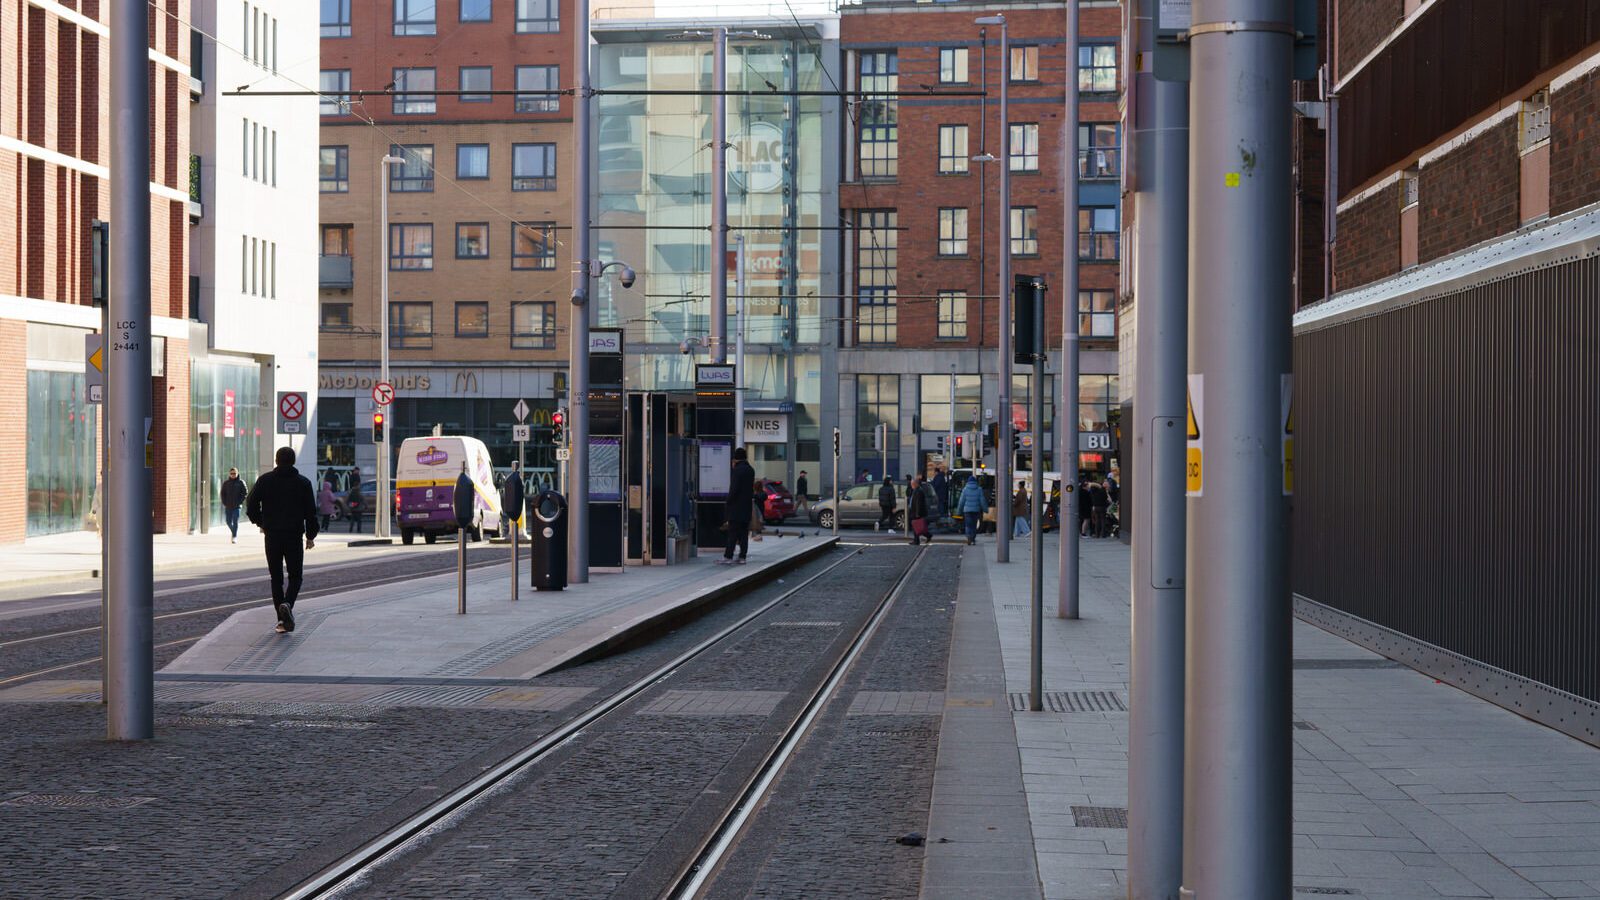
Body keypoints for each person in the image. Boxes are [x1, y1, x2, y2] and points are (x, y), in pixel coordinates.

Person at [245, 447, 318, 634]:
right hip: (293, 535)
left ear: (276, 460)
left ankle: (281, 620)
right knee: (295, 576)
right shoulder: (303, 483)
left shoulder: (265, 481)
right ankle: (288, 604)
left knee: (276, 578)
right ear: (293, 461)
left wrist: (261, 522)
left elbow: (251, 504)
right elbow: (311, 513)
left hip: (272, 535)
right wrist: (310, 536)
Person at [722, 447, 756, 565]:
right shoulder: (750, 470)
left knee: (732, 532)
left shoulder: (737, 470)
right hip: (746, 506)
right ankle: (742, 557)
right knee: (743, 533)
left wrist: (728, 501)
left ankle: (728, 556)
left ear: (736, 458)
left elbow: (734, 489)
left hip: (736, 507)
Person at [220, 467, 247, 543]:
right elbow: (223, 494)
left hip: (237, 506)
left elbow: (245, 493)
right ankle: (233, 532)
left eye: (234, 473)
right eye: (231, 473)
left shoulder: (241, 483)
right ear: (229, 474)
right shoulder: (226, 483)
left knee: (235, 521)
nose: (233, 475)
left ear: (237, 473)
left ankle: (234, 536)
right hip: (228, 506)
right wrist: (225, 502)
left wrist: (240, 501)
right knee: (228, 521)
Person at [957, 476, 985, 545]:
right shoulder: (979, 489)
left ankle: (969, 537)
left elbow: (961, 501)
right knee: (974, 525)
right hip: (976, 510)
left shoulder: (965, 489)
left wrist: (959, 511)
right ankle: (973, 538)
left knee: (968, 525)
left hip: (967, 511)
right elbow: (982, 500)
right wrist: (985, 509)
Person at [907, 475, 930, 546]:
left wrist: (917, 513)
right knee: (917, 527)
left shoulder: (919, 491)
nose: (911, 486)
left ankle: (917, 540)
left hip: (916, 512)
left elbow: (918, 503)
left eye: (912, 484)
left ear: (916, 484)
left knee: (917, 527)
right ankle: (923, 537)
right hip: (914, 511)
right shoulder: (915, 490)